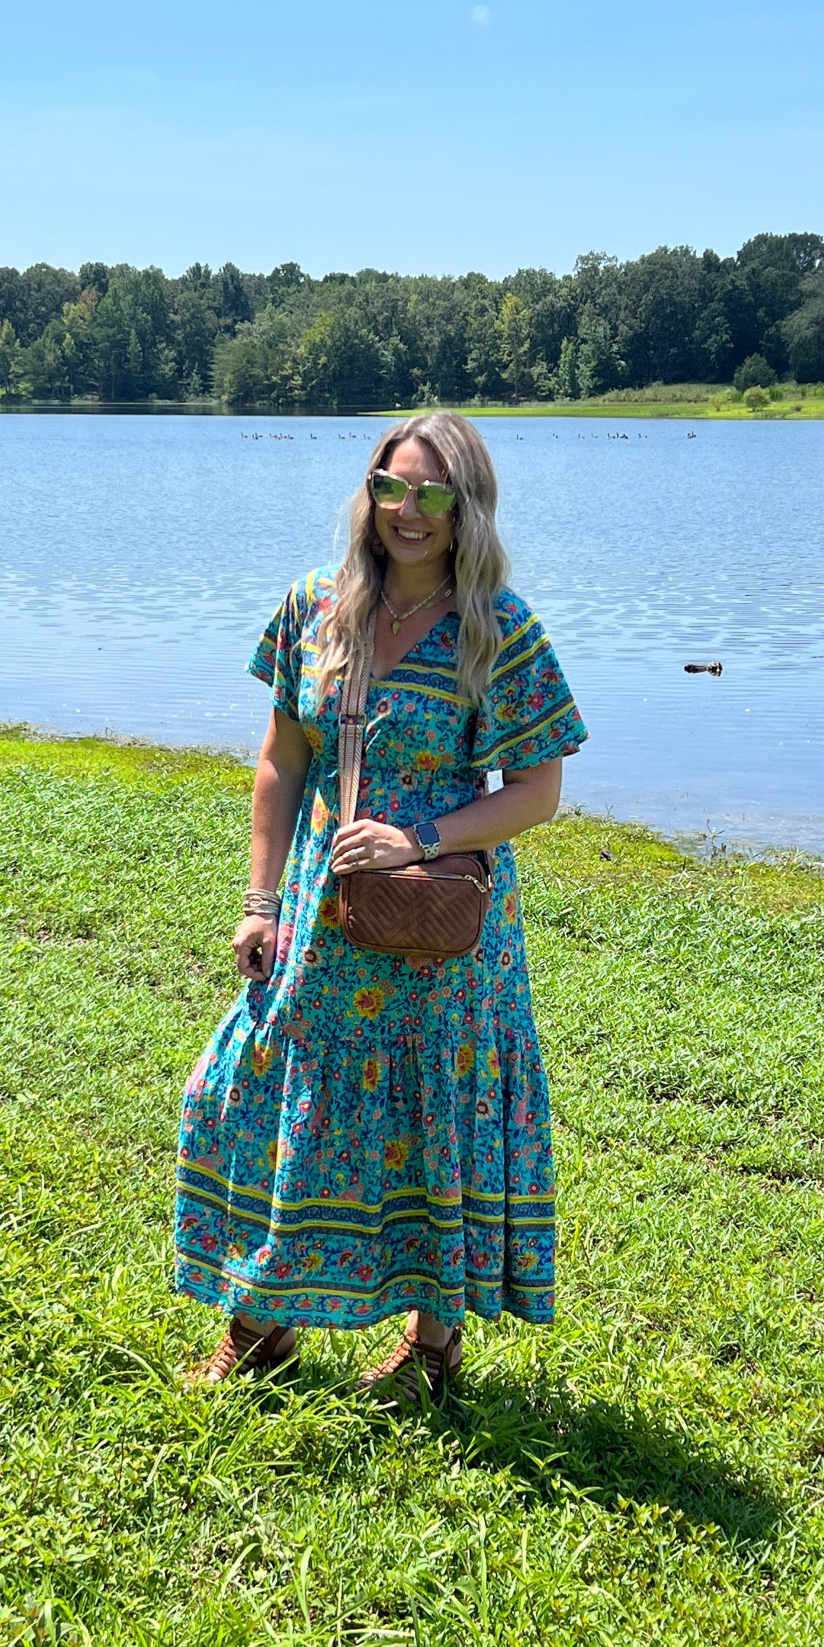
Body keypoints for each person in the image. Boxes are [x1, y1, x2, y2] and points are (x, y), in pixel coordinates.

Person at [175, 412, 587, 1410]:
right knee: (252, 1091)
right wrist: (259, 899)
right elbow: (282, 761)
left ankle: (431, 1349)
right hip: (325, 910)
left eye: (435, 495)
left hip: (445, 922)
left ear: (467, 509)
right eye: (393, 486)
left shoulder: (500, 625)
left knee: (433, 1113)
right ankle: (260, 1321)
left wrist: (420, 839)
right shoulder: (315, 608)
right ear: (369, 490)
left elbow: (536, 792)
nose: (410, 511)